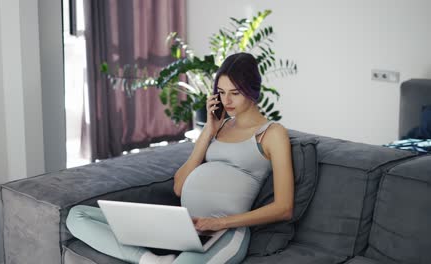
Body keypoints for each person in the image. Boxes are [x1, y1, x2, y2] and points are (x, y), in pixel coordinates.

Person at [66, 52, 294, 264]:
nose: (227, 101)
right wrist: (208, 130)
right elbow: (179, 186)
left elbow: (284, 208)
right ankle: (151, 260)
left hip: (225, 232)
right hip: (183, 225)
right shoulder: (218, 128)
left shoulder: (272, 133)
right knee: (77, 216)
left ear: (252, 90)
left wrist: (218, 222)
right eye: (221, 92)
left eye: (235, 93)